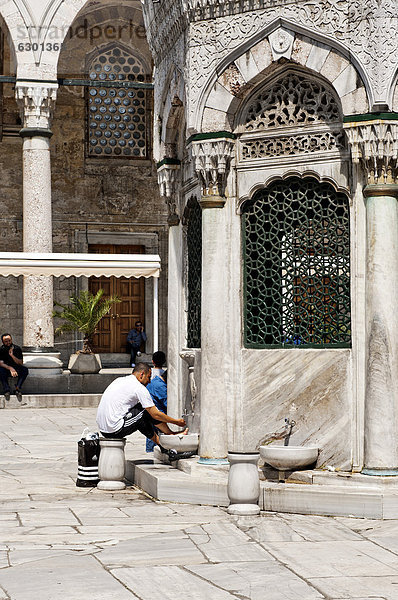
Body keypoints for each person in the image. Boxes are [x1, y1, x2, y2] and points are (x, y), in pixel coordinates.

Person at [96, 363, 190, 460]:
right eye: (148, 377)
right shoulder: (138, 387)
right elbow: (155, 414)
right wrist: (177, 422)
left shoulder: (120, 380)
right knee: (145, 412)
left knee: (141, 415)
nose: (149, 381)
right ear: (141, 374)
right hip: (113, 429)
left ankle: (166, 445)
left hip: (103, 428)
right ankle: (170, 438)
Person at [0, 333, 29, 402]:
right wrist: (10, 368)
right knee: (0, 370)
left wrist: (12, 356)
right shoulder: (1, 349)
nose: (8, 342)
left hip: (16, 369)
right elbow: (1, 363)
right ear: (3, 342)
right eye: (6, 341)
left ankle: (17, 388)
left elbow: (20, 362)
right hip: (6, 369)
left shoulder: (17, 348)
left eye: (9, 340)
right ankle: (6, 389)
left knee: (25, 370)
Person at [146, 370, 167, 452]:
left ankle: (150, 451)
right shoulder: (160, 386)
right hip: (158, 415)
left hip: (151, 413)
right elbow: (167, 402)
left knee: (151, 435)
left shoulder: (155, 381)